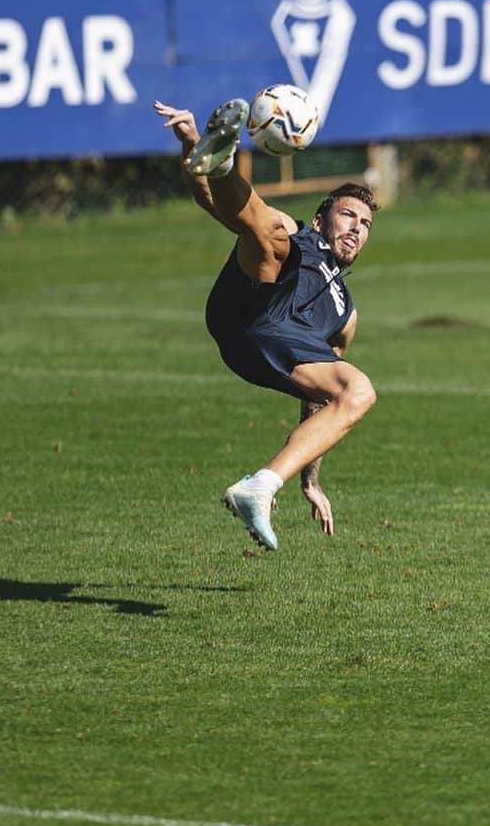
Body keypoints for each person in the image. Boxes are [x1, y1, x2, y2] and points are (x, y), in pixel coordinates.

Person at [153, 97, 378, 551]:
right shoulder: (303, 235)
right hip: (248, 305)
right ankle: (218, 161)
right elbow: (215, 206)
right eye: (348, 215)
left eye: (366, 223)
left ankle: (262, 485)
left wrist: (309, 479)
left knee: (358, 392)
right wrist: (192, 149)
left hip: (267, 350)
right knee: (270, 230)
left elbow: (317, 398)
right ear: (322, 217)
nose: (357, 227)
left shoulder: (345, 313)